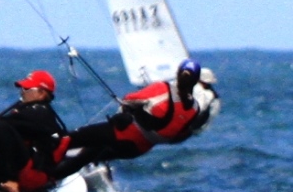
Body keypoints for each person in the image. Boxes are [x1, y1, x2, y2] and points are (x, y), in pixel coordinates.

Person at [53, 58, 204, 179]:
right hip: (136, 149)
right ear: (196, 80)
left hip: (123, 133)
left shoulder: (163, 88)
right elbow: (178, 135)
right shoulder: (195, 109)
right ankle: (52, 177)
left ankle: (44, 161)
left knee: (73, 139)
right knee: (88, 155)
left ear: (178, 73)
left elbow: (128, 99)